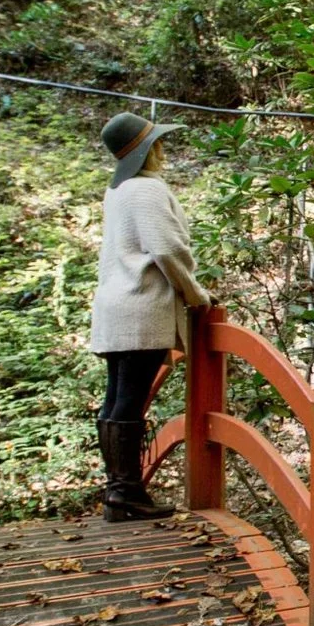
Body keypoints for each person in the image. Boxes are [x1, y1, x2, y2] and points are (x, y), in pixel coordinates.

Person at [88, 112, 211, 521]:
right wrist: (195, 294)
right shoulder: (145, 190)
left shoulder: (119, 190)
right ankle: (125, 492)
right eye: (157, 142)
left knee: (116, 401)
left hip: (115, 305)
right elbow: (167, 248)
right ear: (148, 150)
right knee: (129, 401)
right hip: (140, 305)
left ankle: (120, 490)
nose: (163, 149)